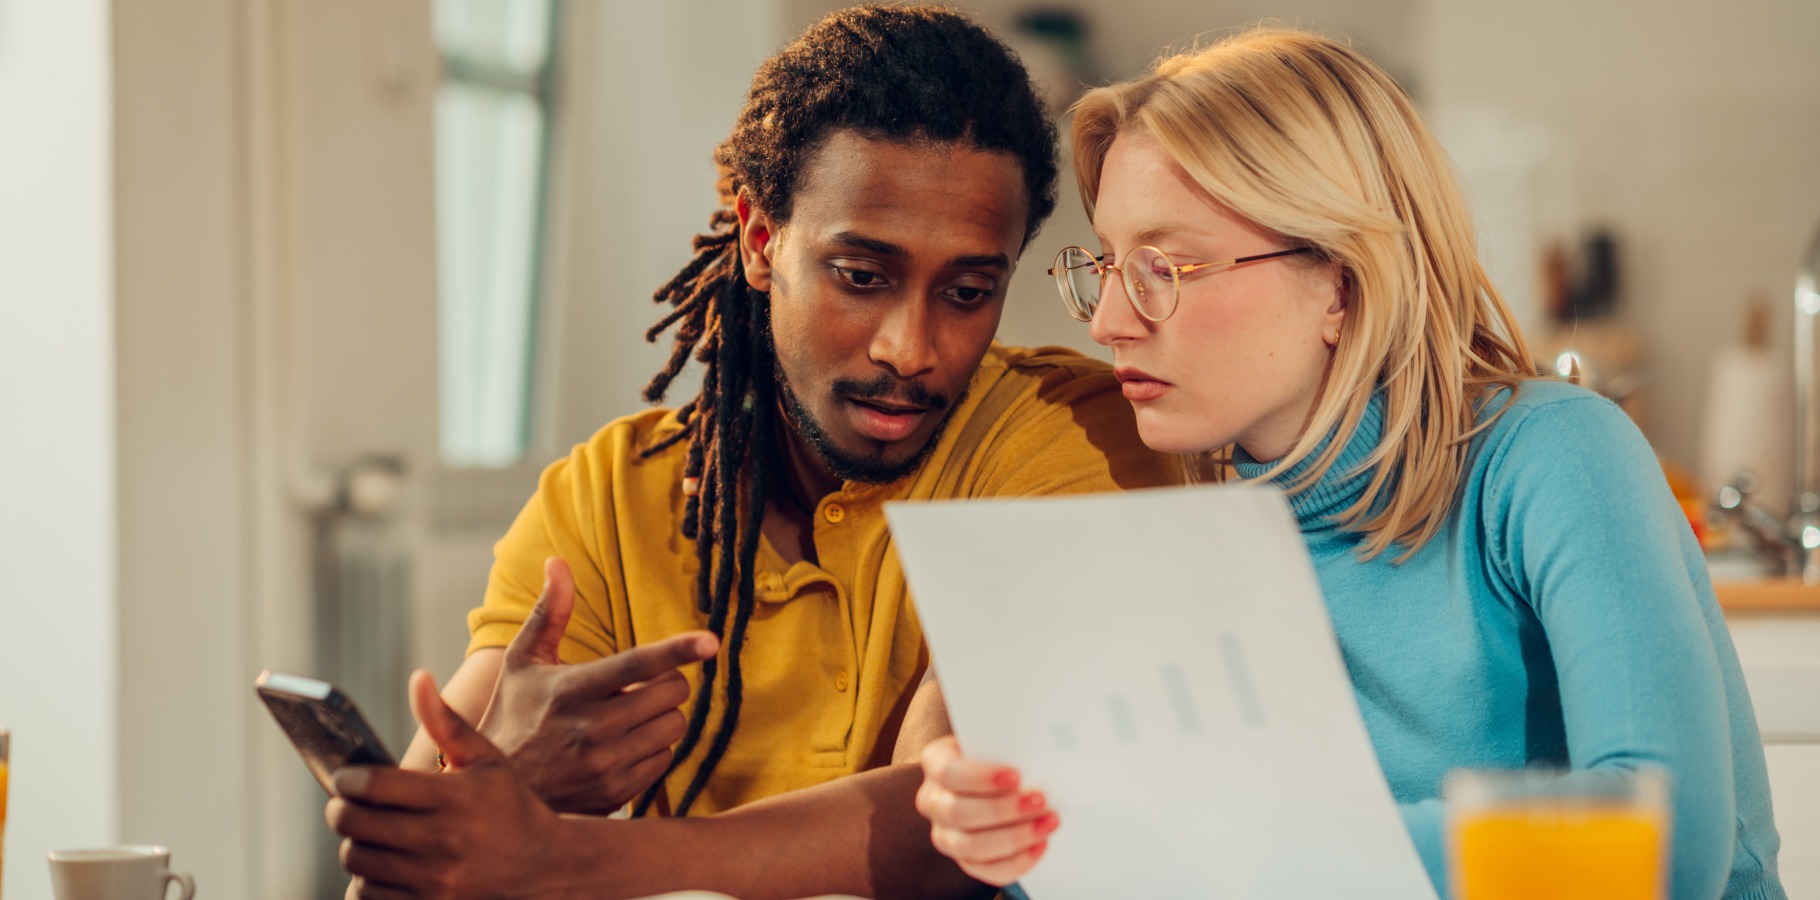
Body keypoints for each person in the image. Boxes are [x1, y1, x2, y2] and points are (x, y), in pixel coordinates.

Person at [325, 5, 1177, 898]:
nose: (908, 348)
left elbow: (956, 830)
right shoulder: (607, 497)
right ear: (761, 241)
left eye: (966, 291)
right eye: (861, 276)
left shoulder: (1068, 436)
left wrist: (556, 854)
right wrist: (504, 780)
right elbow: (402, 872)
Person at [914, 27, 1785, 900]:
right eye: (1106, 264)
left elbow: (1662, 843)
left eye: (1162, 267)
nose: (1106, 321)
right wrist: (1013, 828)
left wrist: (1245, 846)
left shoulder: (1551, 456)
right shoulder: (1190, 526)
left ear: (1338, 280)